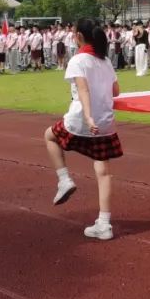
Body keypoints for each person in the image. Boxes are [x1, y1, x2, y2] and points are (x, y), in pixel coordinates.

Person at [44, 18, 121, 240]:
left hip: (82, 120)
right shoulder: (105, 60)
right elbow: (116, 91)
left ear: (78, 37)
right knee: (103, 171)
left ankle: (64, 179)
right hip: (105, 122)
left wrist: (88, 116)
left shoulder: (78, 60)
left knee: (49, 136)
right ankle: (104, 224)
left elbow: (83, 90)